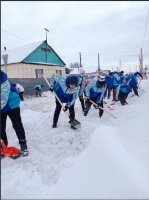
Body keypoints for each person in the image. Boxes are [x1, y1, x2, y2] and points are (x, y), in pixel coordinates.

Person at [1, 70, 29, 159]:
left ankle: (23, 143)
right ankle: (3, 147)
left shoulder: (4, 83)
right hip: (1, 107)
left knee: (17, 124)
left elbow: (3, 100)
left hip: (12, 104)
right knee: (1, 127)